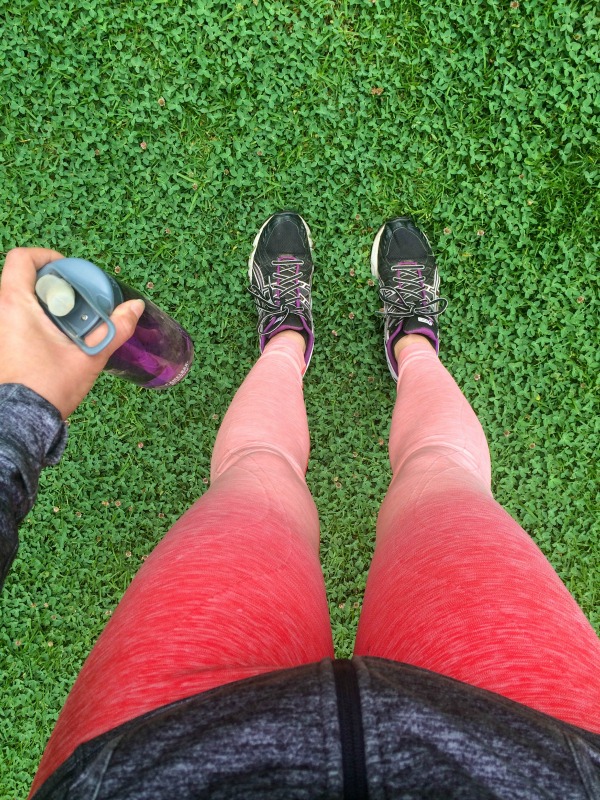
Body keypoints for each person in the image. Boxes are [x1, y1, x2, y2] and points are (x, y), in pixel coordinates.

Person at [1, 214, 599, 799]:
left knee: (257, 469)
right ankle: (316, 337)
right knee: (443, 474)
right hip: (548, 749)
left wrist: (18, 408)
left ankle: (390, 339)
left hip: (148, 752)